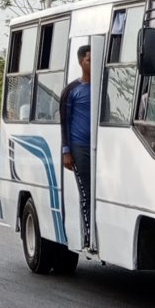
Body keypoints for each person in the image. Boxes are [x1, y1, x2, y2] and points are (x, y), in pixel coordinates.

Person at [60, 45, 91, 248]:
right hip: (79, 147)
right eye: (89, 59)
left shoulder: (101, 87)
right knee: (86, 192)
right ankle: (88, 235)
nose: (92, 63)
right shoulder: (72, 90)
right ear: (80, 62)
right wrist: (66, 151)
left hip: (99, 146)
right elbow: (64, 121)